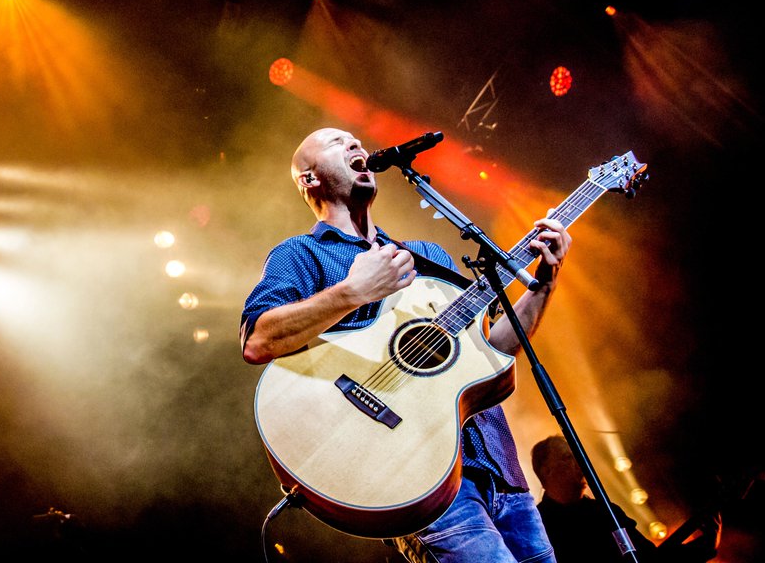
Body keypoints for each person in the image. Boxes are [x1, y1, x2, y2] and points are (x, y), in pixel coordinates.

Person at [240, 126, 572, 563]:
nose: (356, 145)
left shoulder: (427, 255)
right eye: (338, 143)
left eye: (357, 140)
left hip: (502, 472)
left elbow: (493, 351)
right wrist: (351, 292)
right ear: (309, 179)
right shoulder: (301, 253)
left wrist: (543, 285)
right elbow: (258, 339)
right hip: (417, 475)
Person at [531, 434, 720, 563]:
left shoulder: (605, 512)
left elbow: (649, 559)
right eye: (567, 457)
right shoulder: (535, 525)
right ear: (546, 471)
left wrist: (705, 546)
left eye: (577, 456)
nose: (579, 462)